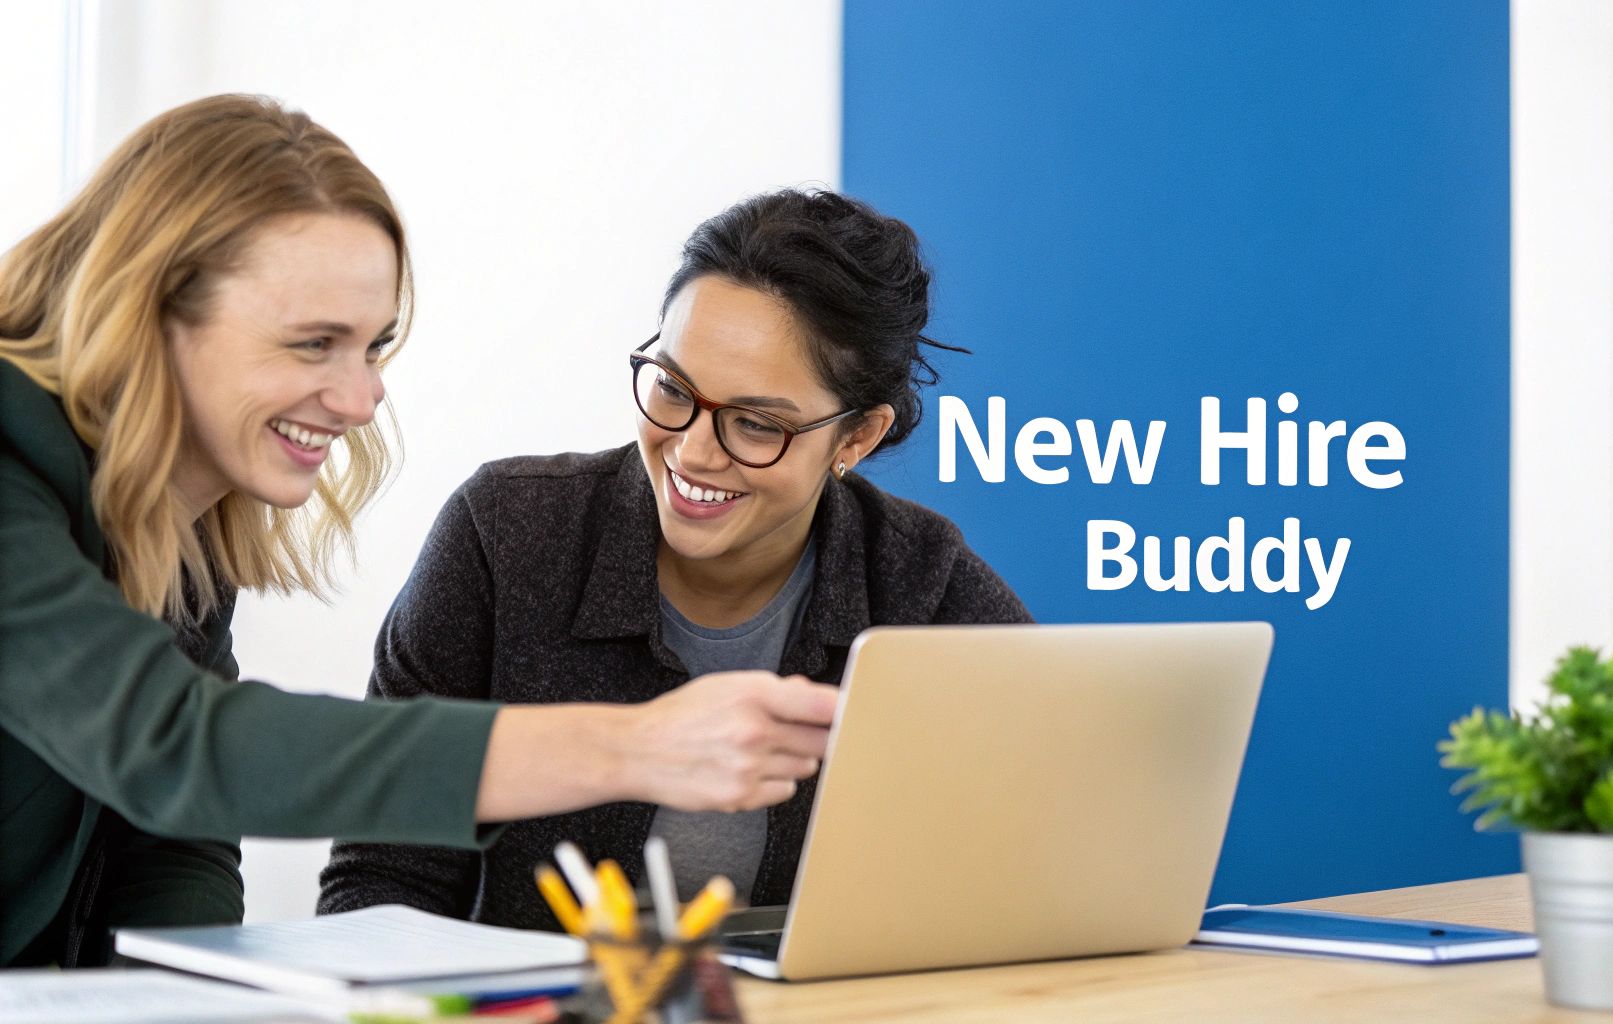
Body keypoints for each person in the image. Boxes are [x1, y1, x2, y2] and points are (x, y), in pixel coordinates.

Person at [0, 95, 835, 968]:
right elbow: (176, 749)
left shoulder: (180, 524)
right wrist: (633, 746)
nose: (361, 400)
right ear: (153, 310)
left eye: (373, 347)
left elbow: (173, 843)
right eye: (313, 344)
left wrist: (182, 998)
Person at [317, 188, 1032, 928]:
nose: (692, 452)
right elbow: (381, 876)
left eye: (756, 424)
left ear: (856, 438)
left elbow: (1047, 856)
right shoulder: (505, 533)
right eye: (672, 388)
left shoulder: (923, 587)